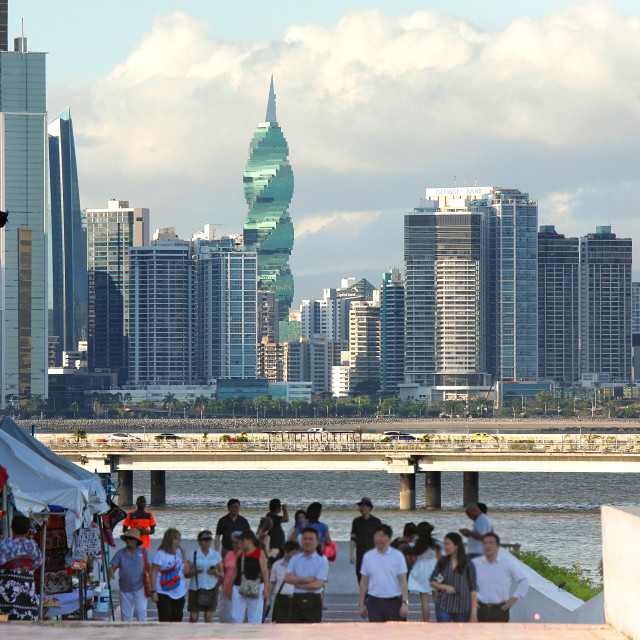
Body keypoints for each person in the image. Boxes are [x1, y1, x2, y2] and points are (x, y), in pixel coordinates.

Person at [472, 532, 528, 622]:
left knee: (499, 635)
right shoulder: (475, 563)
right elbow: (464, 581)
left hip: (500, 610)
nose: (488, 546)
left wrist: (513, 599)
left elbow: (524, 580)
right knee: (480, 635)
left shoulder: (507, 564)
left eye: (491, 543)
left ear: (497, 546)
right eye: (485, 543)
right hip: (480, 608)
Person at [358, 524, 409, 623]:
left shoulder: (398, 556)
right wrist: (361, 604)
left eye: (382, 536)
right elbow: (364, 582)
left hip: (394, 603)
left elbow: (403, 581)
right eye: (376, 536)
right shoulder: (368, 557)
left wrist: (405, 603)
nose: (379, 539)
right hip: (374, 603)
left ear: (389, 538)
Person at [0, 514, 42, 620]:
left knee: (4, 620)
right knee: (25, 622)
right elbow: (38, 563)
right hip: (27, 591)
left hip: (5, 591)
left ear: (11, 528)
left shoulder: (4, 544)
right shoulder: (33, 545)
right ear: (28, 530)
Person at [430, 531, 477, 623]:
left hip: (463, 606)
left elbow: (473, 589)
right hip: (443, 605)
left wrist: (474, 614)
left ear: (456, 546)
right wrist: (445, 587)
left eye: (448, 544)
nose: (445, 547)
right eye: (445, 544)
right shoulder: (442, 561)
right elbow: (433, 581)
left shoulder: (468, 564)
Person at [285, 527, 329, 623]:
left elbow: (318, 584)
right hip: (296, 598)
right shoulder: (295, 559)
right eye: (305, 539)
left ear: (317, 542)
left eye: (311, 539)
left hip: (314, 599)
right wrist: (308, 579)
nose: (307, 542)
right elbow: (288, 578)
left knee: (312, 633)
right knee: (293, 631)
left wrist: (298, 584)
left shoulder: (322, 560)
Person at [225, 530, 269, 623]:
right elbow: (235, 571)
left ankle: (253, 636)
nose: (241, 543)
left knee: (255, 617)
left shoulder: (259, 553)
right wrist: (229, 588)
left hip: (256, 585)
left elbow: (265, 571)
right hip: (239, 586)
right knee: (236, 617)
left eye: (242, 541)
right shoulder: (240, 553)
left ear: (250, 540)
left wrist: (266, 587)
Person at [149, 527, 192, 622]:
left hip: (179, 591)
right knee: (165, 618)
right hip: (163, 591)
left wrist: (184, 555)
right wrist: (153, 591)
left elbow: (186, 572)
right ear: (172, 540)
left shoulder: (179, 552)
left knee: (177, 618)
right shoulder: (160, 554)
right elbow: (153, 572)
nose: (180, 541)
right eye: (178, 538)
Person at [109, 528, 150, 621]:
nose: (128, 540)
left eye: (130, 538)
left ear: (136, 541)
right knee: (126, 616)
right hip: (125, 589)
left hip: (141, 588)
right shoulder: (121, 553)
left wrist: (151, 585)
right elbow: (113, 567)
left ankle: (143, 633)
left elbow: (150, 568)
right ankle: (127, 634)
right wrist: (111, 572)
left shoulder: (144, 552)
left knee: (141, 612)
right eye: (127, 538)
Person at [186, 529, 223, 623]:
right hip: (196, 588)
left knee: (209, 616)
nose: (207, 543)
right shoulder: (193, 555)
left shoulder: (216, 555)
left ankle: (207, 636)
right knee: (194, 617)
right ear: (199, 541)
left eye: (209, 540)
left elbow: (223, 574)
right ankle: (192, 636)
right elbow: (186, 574)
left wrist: (215, 573)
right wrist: (195, 571)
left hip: (211, 587)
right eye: (205, 540)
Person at [407, 522, 440, 621]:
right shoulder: (436, 543)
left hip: (421, 570)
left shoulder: (414, 544)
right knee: (436, 596)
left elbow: (412, 559)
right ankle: (441, 619)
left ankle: (426, 622)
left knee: (424, 599)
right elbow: (440, 557)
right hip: (434, 568)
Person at [266, 540, 300, 623]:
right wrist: (267, 600)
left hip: (297, 599)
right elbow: (272, 583)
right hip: (282, 600)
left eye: (297, 553)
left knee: (297, 626)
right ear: (286, 552)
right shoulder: (277, 565)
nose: (295, 555)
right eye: (293, 553)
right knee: (280, 625)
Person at [350, 497, 381, 582]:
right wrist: (351, 553)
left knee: (373, 576)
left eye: (363, 506)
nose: (361, 508)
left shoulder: (376, 522)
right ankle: (363, 594)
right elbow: (353, 538)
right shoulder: (356, 522)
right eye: (360, 506)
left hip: (373, 552)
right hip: (360, 552)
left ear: (369, 508)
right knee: (360, 576)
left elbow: (381, 539)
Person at [218, 532, 242, 623]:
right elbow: (223, 572)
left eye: (236, 543)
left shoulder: (246, 556)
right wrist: (216, 587)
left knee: (238, 621)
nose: (233, 545)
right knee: (225, 621)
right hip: (226, 593)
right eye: (233, 542)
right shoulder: (229, 554)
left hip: (240, 594)